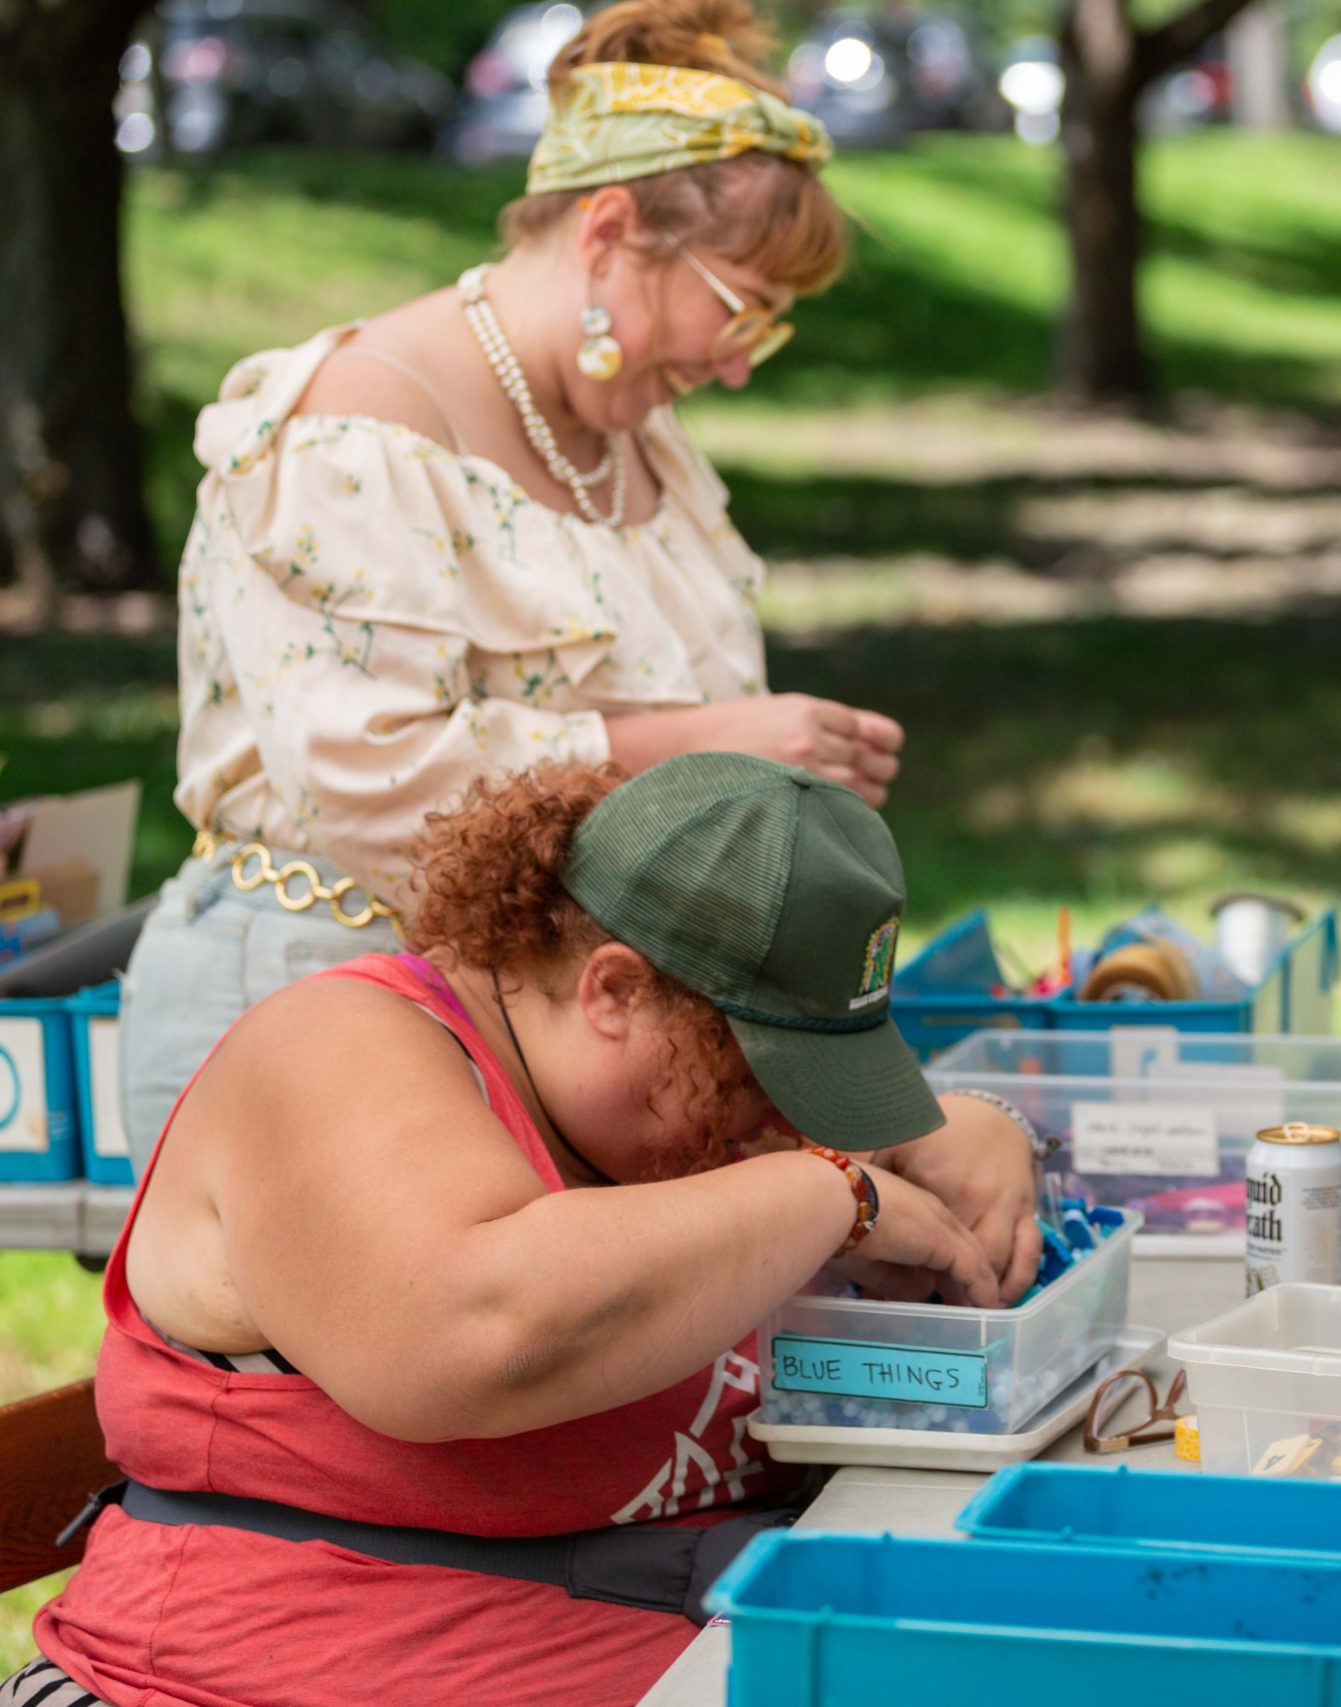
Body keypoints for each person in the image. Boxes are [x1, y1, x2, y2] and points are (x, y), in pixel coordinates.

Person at [9, 755, 1045, 1707]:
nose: (778, 1120)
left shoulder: (658, 1119)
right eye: (757, 1074)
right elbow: (465, 1332)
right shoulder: (335, 1048)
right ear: (615, 990)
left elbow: (824, 1166)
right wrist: (833, 1196)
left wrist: (986, 1132)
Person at [122, 0, 904, 1155]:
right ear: (605, 231)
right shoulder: (356, 421)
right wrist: (689, 747)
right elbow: (366, 776)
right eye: (741, 309)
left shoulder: (632, 435)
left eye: (771, 330)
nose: (738, 364)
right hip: (319, 1010)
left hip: (549, 1039)